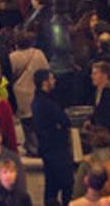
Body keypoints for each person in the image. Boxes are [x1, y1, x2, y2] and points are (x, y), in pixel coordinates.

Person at [32, 70, 74, 205]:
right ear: (45, 83)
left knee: (51, 185)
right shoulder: (47, 103)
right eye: (52, 79)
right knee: (66, 183)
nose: (54, 81)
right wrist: (59, 127)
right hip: (57, 149)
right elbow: (65, 121)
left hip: (47, 149)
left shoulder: (38, 101)